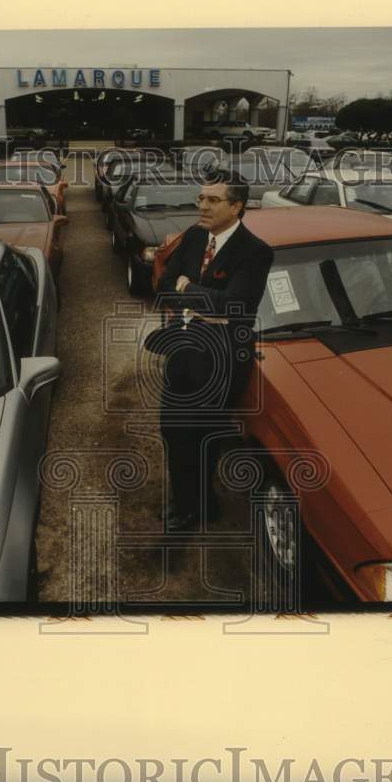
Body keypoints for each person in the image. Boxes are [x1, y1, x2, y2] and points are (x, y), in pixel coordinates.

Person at [154, 168, 274, 531]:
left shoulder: (255, 252)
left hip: (222, 357)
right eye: (200, 198)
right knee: (173, 429)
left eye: (212, 200)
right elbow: (162, 287)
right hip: (184, 347)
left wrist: (188, 289)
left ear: (236, 206)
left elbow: (232, 306)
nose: (202, 206)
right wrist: (197, 296)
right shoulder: (193, 237)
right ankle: (186, 502)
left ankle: (202, 507)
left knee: (203, 434)